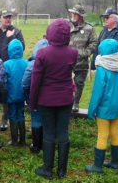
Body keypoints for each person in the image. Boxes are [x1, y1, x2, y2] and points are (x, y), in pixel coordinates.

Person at [30, 19, 78, 179]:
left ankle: (47, 169)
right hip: (65, 98)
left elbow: (35, 81)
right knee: (63, 132)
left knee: (49, 133)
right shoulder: (73, 52)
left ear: (50, 33)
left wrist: (32, 102)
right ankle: (62, 170)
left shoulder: (42, 53)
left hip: (46, 99)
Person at [85, 39, 118, 173]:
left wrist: (91, 111)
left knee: (102, 134)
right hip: (117, 107)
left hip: (104, 108)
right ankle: (115, 162)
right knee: (114, 132)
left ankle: (97, 166)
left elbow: (97, 93)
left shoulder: (102, 69)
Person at [0, 10, 25, 131]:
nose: (8, 19)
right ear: (0, 18)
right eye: (5, 17)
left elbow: (21, 47)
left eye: (9, 17)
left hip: (9, 67)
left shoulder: (16, 31)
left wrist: (11, 37)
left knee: (6, 93)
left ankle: (5, 119)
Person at [68, 5, 97, 112]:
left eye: (75, 13)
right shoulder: (67, 26)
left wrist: (84, 53)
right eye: (72, 13)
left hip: (81, 62)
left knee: (79, 83)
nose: (73, 15)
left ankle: (76, 103)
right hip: (67, 62)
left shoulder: (89, 28)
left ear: (80, 16)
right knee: (66, 83)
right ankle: (68, 102)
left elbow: (94, 43)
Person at [22, 39, 49, 153]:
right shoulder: (52, 62)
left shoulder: (32, 64)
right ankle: (46, 143)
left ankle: (36, 145)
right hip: (48, 96)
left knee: (36, 118)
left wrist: (27, 95)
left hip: (35, 96)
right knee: (47, 118)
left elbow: (25, 83)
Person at [4, 39, 28, 146]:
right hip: (22, 95)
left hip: (11, 95)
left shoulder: (6, 64)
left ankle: (14, 141)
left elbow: (4, 81)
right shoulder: (26, 63)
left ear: (9, 50)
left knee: (12, 116)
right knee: (21, 115)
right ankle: (22, 141)